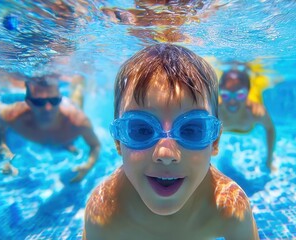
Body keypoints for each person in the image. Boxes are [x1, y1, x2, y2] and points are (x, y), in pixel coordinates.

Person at [83, 44, 259, 239]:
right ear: (118, 141)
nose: (166, 154)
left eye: (192, 130)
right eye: (141, 130)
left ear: (215, 141)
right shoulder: (104, 211)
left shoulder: (228, 206)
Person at [0, 73, 100, 182]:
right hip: (61, 135)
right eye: (39, 102)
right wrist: (2, 144)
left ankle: (78, 86)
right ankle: (67, 145)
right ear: (28, 102)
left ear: (59, 99)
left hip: (69, 114)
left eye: (54, 100)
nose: (48, 108)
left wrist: (88, 165)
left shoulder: (77, 121)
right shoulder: (14, 115)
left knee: (76, 101)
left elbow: (95, 145)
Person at [217, 64, 278, 173]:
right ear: (220, 93)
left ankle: (250, 78)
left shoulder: (255, 112)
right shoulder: (213, 109)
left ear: (247, 93)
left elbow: (270, 129)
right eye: (226, 95)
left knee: (257, 84)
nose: (232, 101)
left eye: (240, 95)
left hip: (250, 100)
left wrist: (269, 159)